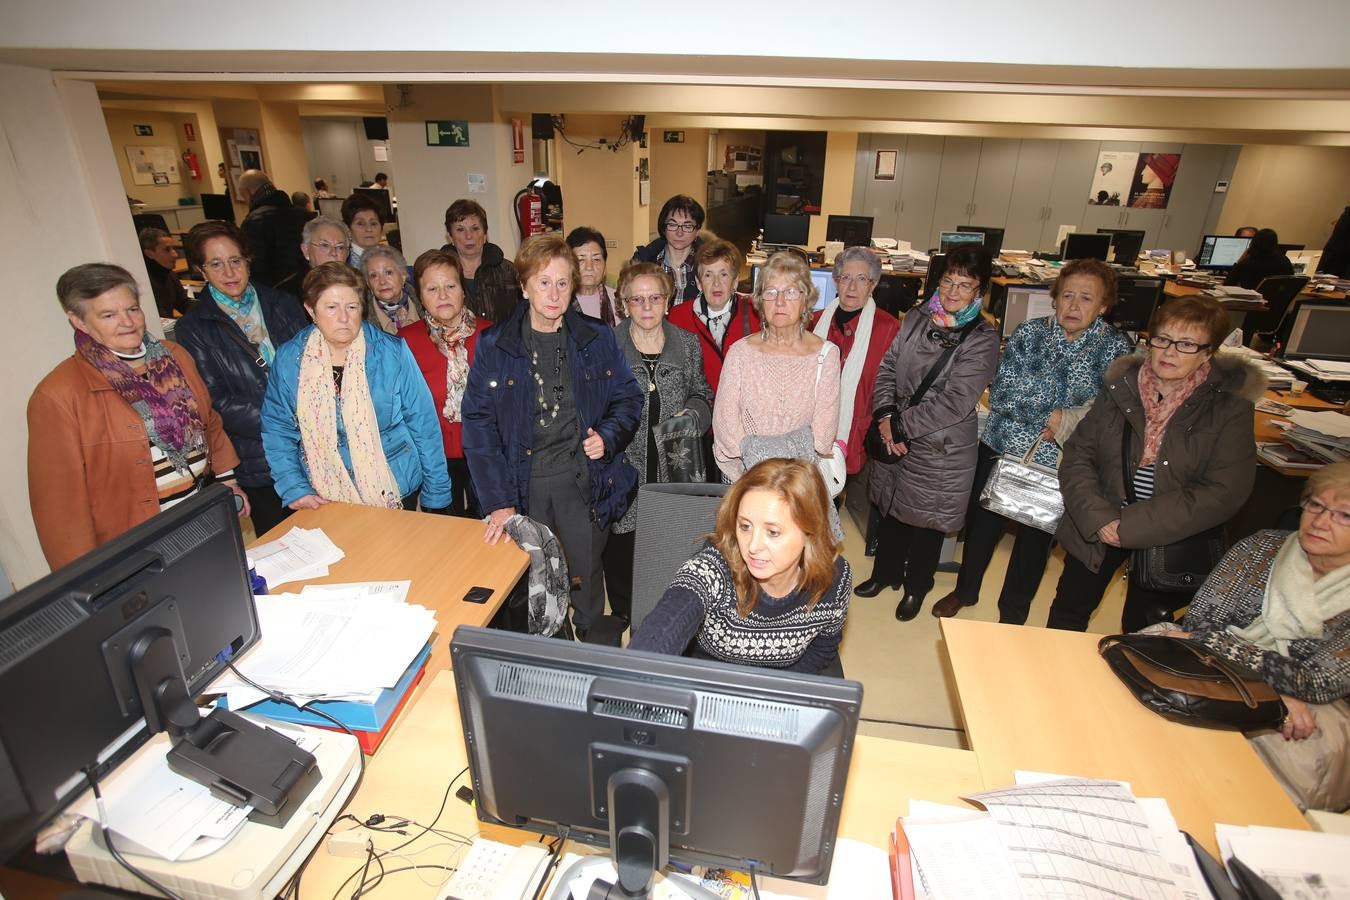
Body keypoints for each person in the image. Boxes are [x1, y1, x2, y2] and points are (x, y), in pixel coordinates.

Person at [932, 258, 1134, 622]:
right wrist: (1060, 415)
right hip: (1002, 445)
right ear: (1054, 300)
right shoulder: (1029, 332)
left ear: (1103, 306)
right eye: (1067, 296)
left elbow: (1109, 411)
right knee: (982, 529)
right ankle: (965, 591)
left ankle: (1013, 612)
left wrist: (1064, 419)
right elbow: (1003, 393)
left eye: (1086, 299)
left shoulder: (1116, 350)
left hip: (1060, 458)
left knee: (1035, 541)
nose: (1073, 306)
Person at [1049, 295, 1264, 632]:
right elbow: (1079, 455)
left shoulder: (1229, 406)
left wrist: (1132, 527)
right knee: (1067, 615)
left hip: (1171, 536)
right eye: (1163, 339)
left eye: (1187, 344)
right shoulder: (1121, 386)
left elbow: (1223, 491)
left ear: (1209, 351)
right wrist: (1099, 518)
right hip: (1100, 522)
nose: (1170, 352)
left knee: (1144, 632)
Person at [462, 234, 643, 636]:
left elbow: (629, 396)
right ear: (524, 286)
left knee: (586, 576)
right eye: (543, 281)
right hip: (520, 484)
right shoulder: (494, 344)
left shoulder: (595, 338)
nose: (554, 292)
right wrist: (498, 502)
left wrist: (609, 435)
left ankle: (595, 657)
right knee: (537, 585)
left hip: (582, 480)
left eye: (563, 282)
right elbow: (477, 425)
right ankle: (551, 659)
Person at [1152, 461, 1350, 812]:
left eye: (1344, 515)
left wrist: (1261, 681)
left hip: (1306, 704)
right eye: (1316, 505)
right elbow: (1201, 622)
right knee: (1140, 656)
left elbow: (1317, 683)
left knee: (1291, 755)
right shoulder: (1261, 548)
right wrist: (1273, 684)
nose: (1320, 522)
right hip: (1215, 667)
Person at [28, 263, 247, 569]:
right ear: (78, 321)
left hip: (200, 519)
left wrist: (228, 481)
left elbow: (209, 422)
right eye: (108, 315)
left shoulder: (175, 356)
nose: (127, 322)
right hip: (135, 546)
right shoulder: (58, 395)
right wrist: (85, 578)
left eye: (132, 309)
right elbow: (59, 509)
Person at [858, 244, 1000, 621]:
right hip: (897, 429)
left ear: (979, 290)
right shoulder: (919, 316)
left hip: (942, 446)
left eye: (964, 285)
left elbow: (956, 401)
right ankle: (884, 574)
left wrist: (899, 427)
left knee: (927, 521)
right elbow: (888, 366)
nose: (952, 292)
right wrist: (886, 415)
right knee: (891, 509)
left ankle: (916, 588)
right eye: (948, 281)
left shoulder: (982, 338)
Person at [629, 458, 851, 675]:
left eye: (772, 532)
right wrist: (632, 675)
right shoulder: (714, 566)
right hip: (705, 687)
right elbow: (669, 619)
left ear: (809, 532)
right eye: (745, 526)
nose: (753, 547)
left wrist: (771, 694)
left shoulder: (834, 579)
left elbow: (822, 650)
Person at [261, 262, 451, 513]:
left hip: (392, 485)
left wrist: (436, 493)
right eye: (331, 307)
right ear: (310, 309)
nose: (343, 318)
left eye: (352, 306)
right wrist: (293, 486)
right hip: (322, 492)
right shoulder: (289, 359)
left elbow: (423, 424)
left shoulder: (391, 353)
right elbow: (277, 427)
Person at [175, 220, 309, 535]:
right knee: (285, 545)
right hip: (259, 456)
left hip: (316, 445)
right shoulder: (193, 328)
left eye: (235, 261)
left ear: (248, 261)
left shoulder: (283, 303)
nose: (229, 272)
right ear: (201, 270)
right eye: (216, 264)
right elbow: (214, 399)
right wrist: (286, 421)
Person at [605, 261, 713, 629]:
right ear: (623, 303)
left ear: (668, 301)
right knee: (623, 548)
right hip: (623, 466)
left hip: (674, 462)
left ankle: (667, 614)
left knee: (671, 545)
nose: (647, 307)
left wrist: (694, 415)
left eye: (655, 298)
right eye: (637, 299)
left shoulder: (686, 343)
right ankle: (623, 612)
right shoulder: (607, 344)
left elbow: (702, 393)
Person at [712, 251, 839, 483]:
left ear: (806, 300)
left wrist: (782, 473)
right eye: (771, 292)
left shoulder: (826, 355)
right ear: (760, 301)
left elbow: (823, 436)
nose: (780, 302)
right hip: (745, 476)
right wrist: (759, 472)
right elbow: (725, 426)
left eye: (790, 292)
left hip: (799, 480)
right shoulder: (740, 352)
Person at [399, 249, 492, 517]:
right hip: (432, 455)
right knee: (442, 531)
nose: (442, 295)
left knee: (487, 529)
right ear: (420, 294)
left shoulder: (492, 335)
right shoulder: (405, 341)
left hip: (484, 451)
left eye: (450, 286)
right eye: (432, 288)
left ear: (463, 290)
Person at [810, 246, 901, 480]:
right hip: (809, 431)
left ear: (873, 285)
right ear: (836, 281)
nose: (852, 287)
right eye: (846, 278)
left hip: (854, 435)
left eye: (861, 279)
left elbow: (893, 386)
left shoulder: (888, 329)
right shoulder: (815, 322)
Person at [668, 238, 760, 395]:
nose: (716, 283)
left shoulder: (756, 312)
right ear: (698, 282)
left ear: (735, 281)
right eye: (708, 275)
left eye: (723, 274)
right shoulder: (678, 317)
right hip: (699, 410)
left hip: (745, 409)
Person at [441, 199, 521, 322]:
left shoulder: (509, 271)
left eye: (475, 228)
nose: (469, 236)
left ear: (484, 234)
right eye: (460, 229)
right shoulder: (438, 275)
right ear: (450, 236)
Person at [237, 169, 309, 290]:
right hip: (307, 286)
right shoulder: (303, 215)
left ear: (248, 193)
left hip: (276, 293)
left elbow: (256, 268)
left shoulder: (254, 222)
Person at [633, 195, 704, 304]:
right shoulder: (644, 263)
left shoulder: (709, 263)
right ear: (664, 228)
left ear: (697, 230)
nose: (679, 233)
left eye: (687, 226)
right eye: (672, 224)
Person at [362, 245, 423, 334]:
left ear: (403, 276)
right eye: (373, 275)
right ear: (368, 283)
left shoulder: (426, 305)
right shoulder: (361, 319)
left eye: (388, 272)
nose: (382, 281)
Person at [566, 226, 620, 325]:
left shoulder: (619, 301)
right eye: (581, 260)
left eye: (596, 259)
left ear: (605, 264)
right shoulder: (559, 301)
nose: (589, 267)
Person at [138, 226, 189, 318]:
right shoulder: (144, 283)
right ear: (149, 253)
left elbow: (184, 304)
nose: (175, 254)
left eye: (174, 249)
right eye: (167, 250)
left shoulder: (170, 275)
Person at [1226, 227, 1295, 290]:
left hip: (1250, 301)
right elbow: (1291, 282)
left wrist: (1240, 261)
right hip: (1276, 302)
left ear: (1254, 243)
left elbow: (1228, 283)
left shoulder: (1248, 263)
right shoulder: (1285, 261)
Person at [341, 192, 385, 270]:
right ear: (347, 228)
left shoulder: (391, 258)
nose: (369, 229)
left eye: (373, 223)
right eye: (360, 223)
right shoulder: (342, 262)